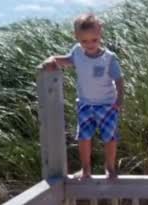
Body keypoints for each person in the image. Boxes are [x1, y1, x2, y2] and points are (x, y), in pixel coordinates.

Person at [42, 13, 124, 180]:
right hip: (85, 104)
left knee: (110, 137)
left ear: (100, 34)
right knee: (84, 137)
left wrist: (119, 100)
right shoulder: (77, 53)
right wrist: (52, 59)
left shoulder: (108, 58)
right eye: (84, 41)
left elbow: (119, 79)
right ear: (77, 37)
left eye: (94, 40)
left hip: (107, 104)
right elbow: (66, 60)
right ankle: (86, 170)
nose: (89, 45)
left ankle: (110, 166)